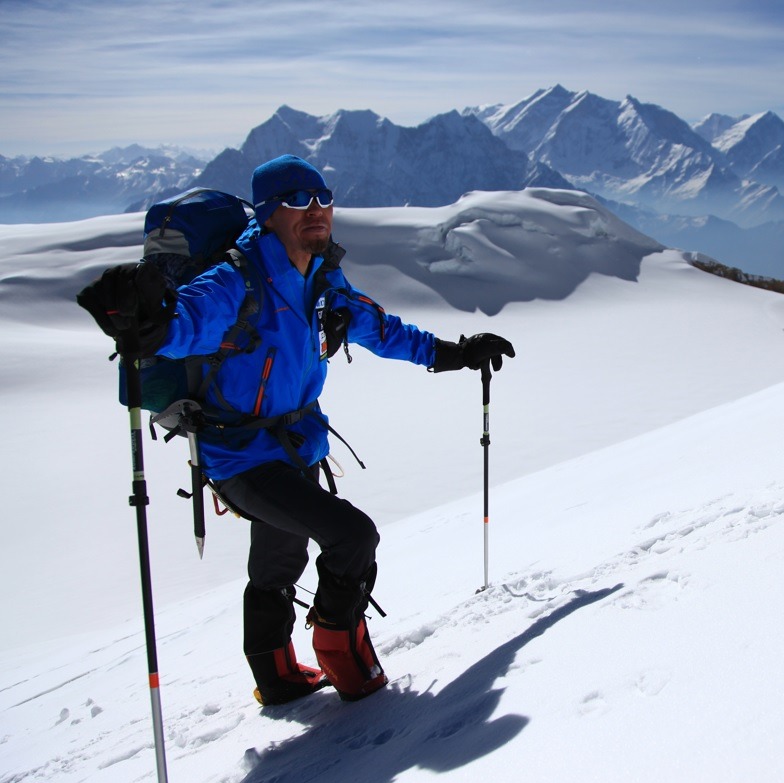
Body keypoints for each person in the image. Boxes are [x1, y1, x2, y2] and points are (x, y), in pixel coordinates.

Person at [79, 155, 515, 705]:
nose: (316, 210)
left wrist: (453, 353)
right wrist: (150, 324)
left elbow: (379, 328)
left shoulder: (322, 276)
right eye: (297, 200)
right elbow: (188, 321)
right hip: (239, 455)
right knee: (352, 536)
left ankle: (277, 679)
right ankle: (343, 655)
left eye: (322, 197)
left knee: (279, 561)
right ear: (266, 213)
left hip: (298, 444)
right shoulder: (235, 281)